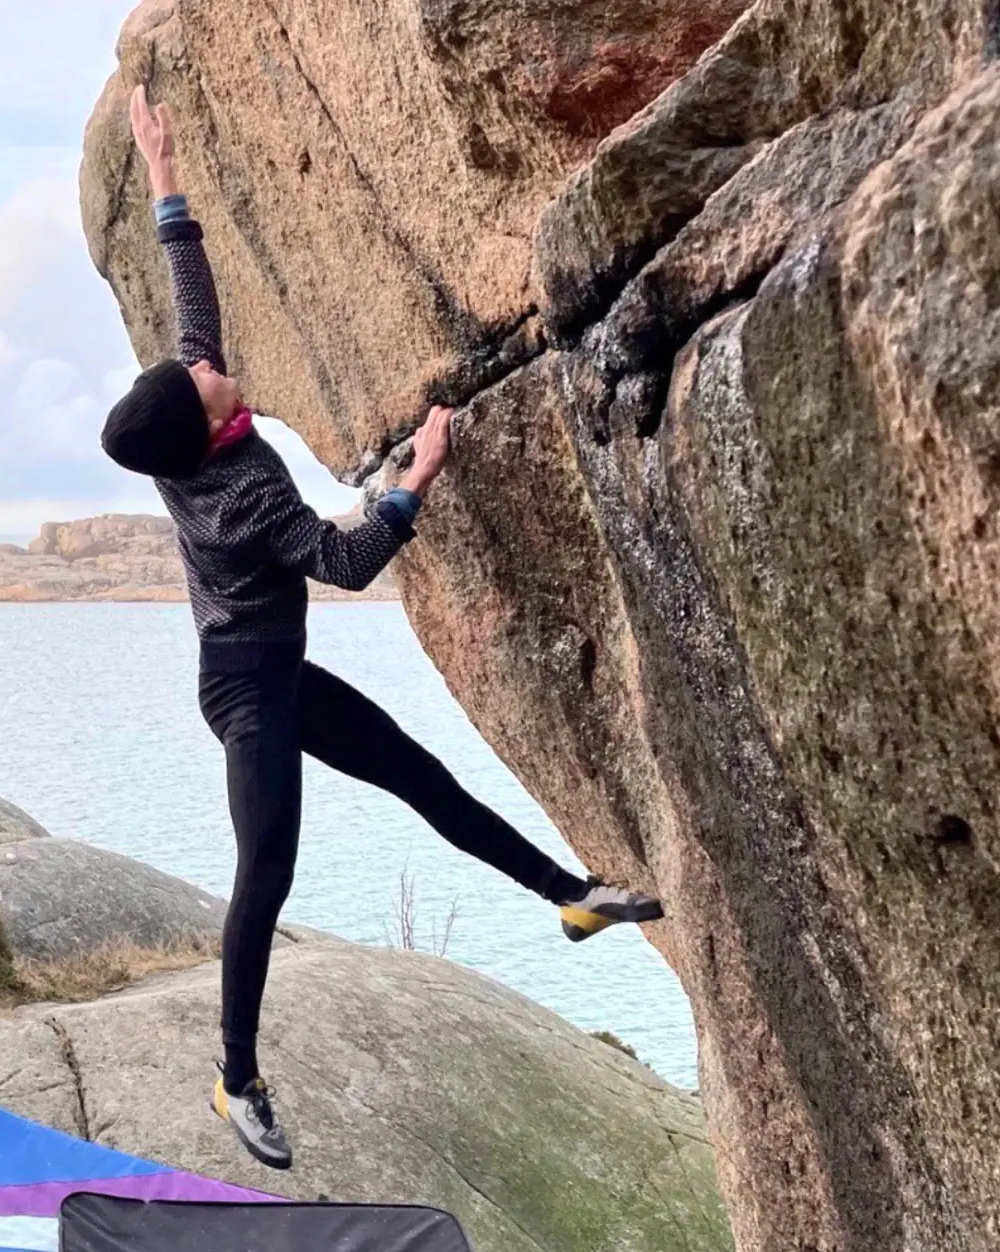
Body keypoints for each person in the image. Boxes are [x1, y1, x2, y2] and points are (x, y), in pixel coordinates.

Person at [100, 86, 664, 1171]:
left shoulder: (200, 427)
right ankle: (237, 1077)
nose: (206, 355)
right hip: (248, 690)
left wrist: (163, 170)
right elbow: (349, 560)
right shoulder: (239, 502)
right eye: (201, 373)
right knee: (266, 870)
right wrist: (419, 477)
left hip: (277, 666)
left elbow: (191, 291)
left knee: (420, 777)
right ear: (210, 422)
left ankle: (572, 900)